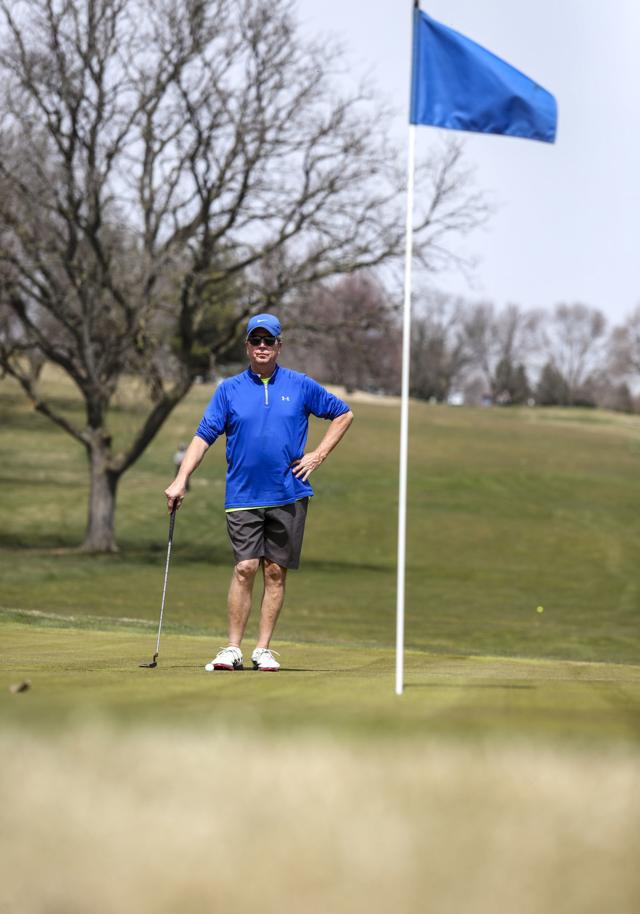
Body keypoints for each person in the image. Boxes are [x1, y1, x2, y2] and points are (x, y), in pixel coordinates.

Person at [164, 313, 353, 672]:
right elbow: (203, 436)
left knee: (275, 572)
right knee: (245, 567)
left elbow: (343, 414)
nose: (262, 347)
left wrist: (319, 454)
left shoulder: (300, 385)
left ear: (279, 346)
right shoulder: (229, 390)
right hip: (243, 496)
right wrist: (181, 478)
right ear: (247, 346)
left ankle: (263, 649)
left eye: (269, 341)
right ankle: (232, 648)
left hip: (289, 493)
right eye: (256, 341)